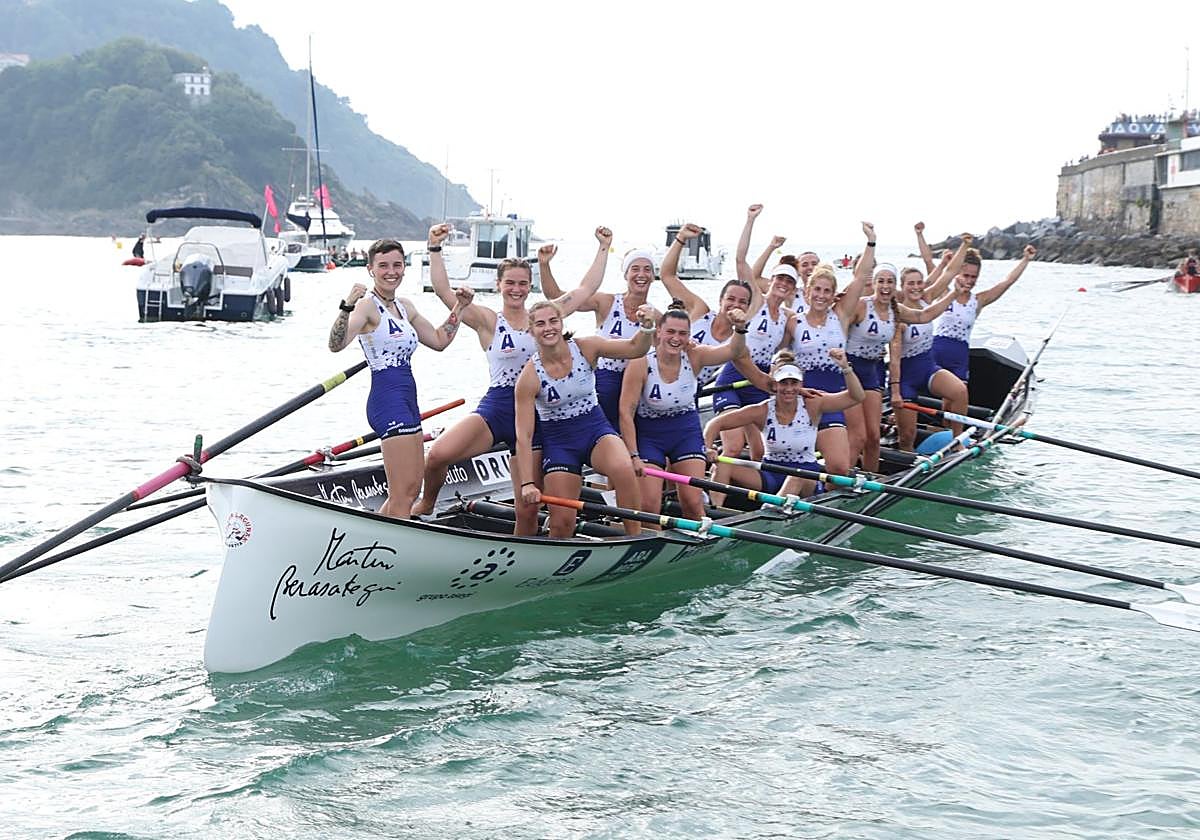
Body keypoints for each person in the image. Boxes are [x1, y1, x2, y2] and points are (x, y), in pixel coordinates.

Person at [413, 223, 614, 530]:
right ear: (498, 285)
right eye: (510, 283)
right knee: (438, 454)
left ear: (529, 286)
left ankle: (528, 558)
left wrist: (603, 247)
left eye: (522, 284)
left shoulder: (544, 317)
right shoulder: (487, 320)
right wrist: (435, 247)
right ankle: (427, 503)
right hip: (499, 407)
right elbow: (442, 290)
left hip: (539, 413)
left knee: (527, 509)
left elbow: (585, 289)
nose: (516, 289)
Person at [328, 238, 472, 519]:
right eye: (383, 266)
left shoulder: (405, 307)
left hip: (407, 400)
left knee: (409, 492)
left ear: (404, 267)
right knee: (403, 493)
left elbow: (439, 340)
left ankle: (373, 543)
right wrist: (346, 306)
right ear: (371, 269)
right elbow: (336, 344)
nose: (391, 271)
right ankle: (387, 553)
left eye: (397, 264)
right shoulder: (367, 307)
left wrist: (460, 307)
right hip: (387, 401)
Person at [515, 299, 660, 538]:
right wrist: (527, 483)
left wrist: (646, 327)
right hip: (560, 443)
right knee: (562, 523)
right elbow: (524, 435)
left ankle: (634, 538)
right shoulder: (528, 378)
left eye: (553, 321)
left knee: (623, 469)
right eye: (540, 324)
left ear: (561, 323)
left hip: (594, 429)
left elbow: (636, 348)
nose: (548, 328)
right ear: (531, 331)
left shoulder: (586, 347)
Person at [619, 300, 750, 521]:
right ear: (658, 331)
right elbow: (625, 411)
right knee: (649, 505)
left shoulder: (695, 355)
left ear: (689, 335)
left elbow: (733, 350)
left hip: (685, 432)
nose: (676, 338)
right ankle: (653, 545)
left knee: (691, 501)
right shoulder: (641, 362)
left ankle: (696, 539)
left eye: (682, 333)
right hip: (650, 436)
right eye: (670, 331)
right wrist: (633, 455)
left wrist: (739, 328)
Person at [843, 254, 964, 472]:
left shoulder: (896, 311)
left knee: (873, 437)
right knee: (858, 437)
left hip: (872, 373)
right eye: (881, 281)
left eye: (890, 281)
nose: (885, 286)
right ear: (874, 284)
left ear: (895, 286)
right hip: (850, 371)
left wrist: (955, 293)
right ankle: (841, 481)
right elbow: (837, 320)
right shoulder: (860, 306)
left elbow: (925, 315)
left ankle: (870, 479)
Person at [776, 223, 874, 478]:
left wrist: (870, 242)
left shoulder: (840, 315)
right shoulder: (794, 321)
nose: (821, 295)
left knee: (839, 466)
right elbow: (778, 358)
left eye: (827, 291)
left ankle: (833, 490)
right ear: (806, 292)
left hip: (837, 393)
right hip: (804, 396)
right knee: (796, 463)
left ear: (833, 296)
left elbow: (861, 277)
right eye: (816, 290)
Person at [704, 349, 865, 498]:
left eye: (793, 383)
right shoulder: (761, 410)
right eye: (784, 383)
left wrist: (846, 368)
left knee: (796, 477)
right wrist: (708, 447)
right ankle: (714, 513)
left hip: (806, 477)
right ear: (775, 384)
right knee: (722, 463)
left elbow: (856, 397)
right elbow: (715, 424)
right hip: (771, 474)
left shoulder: (812, 404)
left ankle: (768, 512)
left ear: (800, 384)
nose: (789, 388)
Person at [709, 204, 794, 469]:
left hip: (758, 382)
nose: (782, 284)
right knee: (733, 447)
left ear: (794, 288)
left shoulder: (787, 317)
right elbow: (740, 260)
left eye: (789, 282)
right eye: (779, 278)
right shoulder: (756, 301)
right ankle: (714, 501)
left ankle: (760, 496)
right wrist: (750, 220)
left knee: (762, 449)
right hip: (734, 376)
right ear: (771, 280)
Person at [539, 241, 656, 429]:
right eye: (635, 269)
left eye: (647, 269)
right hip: (604, 380)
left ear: (653, 276)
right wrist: (544, 265)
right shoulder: (606, 302)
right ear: (626, 274)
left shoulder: (655, 316)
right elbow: (557, 299)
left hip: (637, 383)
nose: (641, 274)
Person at [889, 243, 976, 452]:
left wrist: (964, 245)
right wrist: (895, 391)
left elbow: (949, 272)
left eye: (919, 283)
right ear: (902, 286)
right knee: (907, 437)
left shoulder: (927, 298)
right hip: (906, 377)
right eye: (911, 284)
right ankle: (908, 466)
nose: (916, 287)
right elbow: (893, 358)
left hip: (928, 367)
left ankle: (956, 442)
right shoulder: (898, 316)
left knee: (959, 391)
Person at [659, 222, 756, 389]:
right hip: (656, 379)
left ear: (748, 308)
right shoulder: (700, 311)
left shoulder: (737, 343)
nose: (735, 305)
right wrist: (681, 238)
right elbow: (667, 276)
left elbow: (756, 376)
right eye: (730, 299)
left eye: (742, 302)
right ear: (720, 300)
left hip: (686, 394)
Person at [932, 243, 1036, 384]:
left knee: (957, 398)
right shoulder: (944, 293)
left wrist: (1025, 260)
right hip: (937, 352)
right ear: (957, 273)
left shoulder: (978, 300)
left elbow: (1007, 282)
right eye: (966, 275)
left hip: (960, 356)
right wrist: (920, 235)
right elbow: (930, 267)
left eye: (974, 277)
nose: (969, 281)